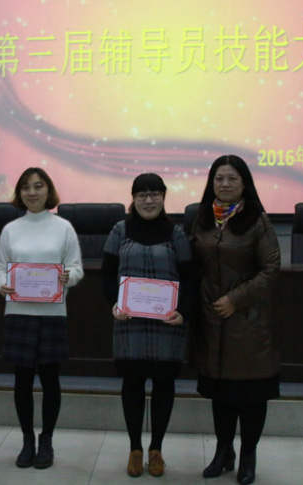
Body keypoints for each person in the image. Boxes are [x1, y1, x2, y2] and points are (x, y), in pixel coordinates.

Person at [190, 155, 281, 485]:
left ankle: (248, 455)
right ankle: (223, 451)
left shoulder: (257, 220)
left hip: (248, 321)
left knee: (250, 394)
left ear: (245, 183)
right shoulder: (202, 219)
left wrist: (236, 298)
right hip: (211, 320)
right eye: (219, 178)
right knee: (221, 394)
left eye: (232, 178)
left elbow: (271, 268)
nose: (225, 184)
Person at [101, 173, 196, 478]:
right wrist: (114, 303)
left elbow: (190, 277)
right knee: (132, 384)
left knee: (164, 385)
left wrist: (183, 312)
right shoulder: (120, 230)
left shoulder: (176, 233)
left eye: (155, 194)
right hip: (129, 322)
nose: (149, 200)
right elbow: (107, 273)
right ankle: (135, 449)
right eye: (142, 195)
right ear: (133, 198)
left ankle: (156, 450)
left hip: (167, 324)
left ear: (164, 197)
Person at [0, 167, 83, 470]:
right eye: (26, 187)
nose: (32, 192)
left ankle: (47, 440)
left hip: (51, 313)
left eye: (38, 186)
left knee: (50, 381)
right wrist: (2, 284)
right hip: (19, 312)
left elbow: (76, 268)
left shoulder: (63, 227)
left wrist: (69, 276)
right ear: (19, 193)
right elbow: (0, 269)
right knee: (22, 382)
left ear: (48, 191)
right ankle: (27, 439)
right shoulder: (11, 229)